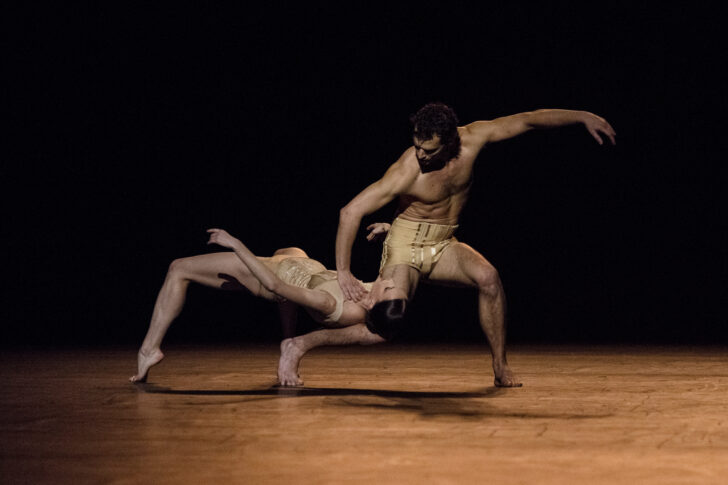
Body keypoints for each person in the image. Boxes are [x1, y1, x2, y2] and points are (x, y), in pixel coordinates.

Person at [336, 103, 616, 387]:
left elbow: (527, 120)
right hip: (404, 247)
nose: (420, 155)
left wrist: (582, 116)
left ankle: (500, 367)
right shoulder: (406, 171)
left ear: (450, 141)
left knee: (488, 277)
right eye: (417, 146)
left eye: (429, 150)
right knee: (388, 322)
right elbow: (350, 212)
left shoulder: (473, 138)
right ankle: (310, 341)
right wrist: (344, 272)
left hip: (442, 243)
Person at [130, 226, 390, 386]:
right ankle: (286, 338)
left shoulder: (332, 303)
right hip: (298, 263)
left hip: (264, 276)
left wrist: (235, 244)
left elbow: (277, 287)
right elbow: (396, 262)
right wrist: (388, 232)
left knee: (178, 268)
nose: (390, 285)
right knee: (289, 248)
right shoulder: (372, 289)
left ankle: (149, 349)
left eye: (389, 291)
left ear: (375, 305)